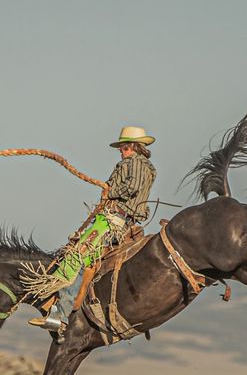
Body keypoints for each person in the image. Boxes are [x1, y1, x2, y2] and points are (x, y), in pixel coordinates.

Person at [29, 126, 157, 335]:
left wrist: (109, 191)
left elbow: (131, 187)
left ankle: (60, 316)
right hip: (114, 219)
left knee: (78, 258)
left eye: (124, 147)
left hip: (114, 221)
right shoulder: (143, 166)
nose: (121, 151)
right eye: (121, 148)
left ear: (134, 146)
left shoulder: (135, 164)